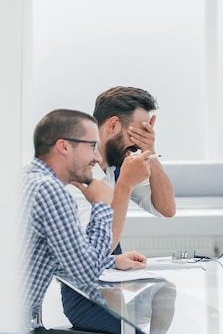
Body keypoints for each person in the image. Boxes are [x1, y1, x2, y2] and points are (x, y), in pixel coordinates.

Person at [19, 109, 147, 333]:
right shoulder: (50, 190)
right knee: (133, 330)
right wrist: (101, 204)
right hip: (18, 326)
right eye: (92, 146)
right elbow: (86, 274)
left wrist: (112, 261)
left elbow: (66, 257)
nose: (97, 158)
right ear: (64, 147)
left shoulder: (27, 178)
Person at [62, 86, 176, 332]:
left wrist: (151, 153)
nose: (138, 145)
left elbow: (167, 208)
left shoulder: (116, 163)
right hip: (84, 295)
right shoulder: (75, 173)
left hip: (113, 282)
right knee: (129, 328)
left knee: (166, 298)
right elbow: (94, 250)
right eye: (138, 134)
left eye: (147, 135)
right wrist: (124, 184)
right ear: (113, 125)